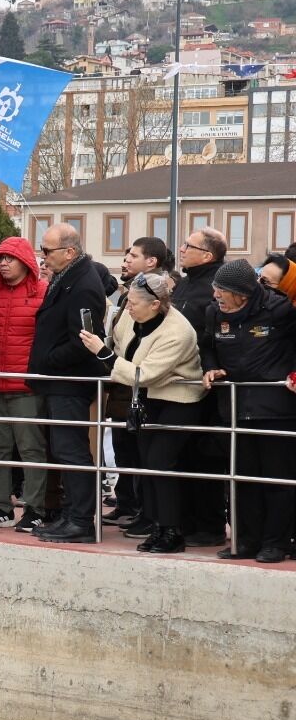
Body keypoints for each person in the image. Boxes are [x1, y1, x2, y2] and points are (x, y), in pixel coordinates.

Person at [77, 273, 205, 555]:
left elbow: (144, 373)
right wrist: (105, 347)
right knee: (148, 463)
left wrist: (102, 354)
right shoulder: (131, 316)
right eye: (129, 302)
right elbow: (121, 347)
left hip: (179, 401)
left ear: (156, 304)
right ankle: (159, 525)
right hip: (148, 399)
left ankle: (173, 530)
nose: (129, 307)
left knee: (161, 463)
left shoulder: (178, 332)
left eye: (134, 303)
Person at [200, 258, 296, 563]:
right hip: (235, 408)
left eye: (222, 292)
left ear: (242, 294)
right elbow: (207, 347)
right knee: (241, 481)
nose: (216, 297)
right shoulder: (214, 313)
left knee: (275, 481)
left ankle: (275, 543)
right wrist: (211, 368)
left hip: (275, 409)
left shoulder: (279, 310)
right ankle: (246, 540)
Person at [27, 223, 110, 543]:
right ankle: (70, 513)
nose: (42, 257)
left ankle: (80, 520)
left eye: (47, 251)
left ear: (70, 252)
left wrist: (47, 360)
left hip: (70, 382)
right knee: (63, 450)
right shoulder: (67, 278)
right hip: (58, 381)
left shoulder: (84, 284)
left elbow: (85, 339)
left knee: (72, 451)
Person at [0, 237, 50, 532]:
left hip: (26, 384)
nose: (3, 263)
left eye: (10, 258)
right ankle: (1, 507)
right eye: (0, 260)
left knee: (31, 448)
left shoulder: (43, 292)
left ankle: (35, 509)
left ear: (26, 262)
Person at [105, 237, 174, 534]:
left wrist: (107, 354)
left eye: (133, 255)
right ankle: (129, 503)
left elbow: (144, 348)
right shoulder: (126, 296)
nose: (125, 260)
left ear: (152, 262)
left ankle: (149, 514)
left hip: (141, 382)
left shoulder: (162, 298)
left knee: (144, 454)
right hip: (123, 381)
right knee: (125, 448)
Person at [172, 226, 228, 546]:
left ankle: (208, 526)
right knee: (186, 456)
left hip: (206, 389)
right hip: (181, 386)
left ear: (206, 255)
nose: (181, 249)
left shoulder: (215, 286)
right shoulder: (185, 284)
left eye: (188, 245)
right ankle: (188, 521)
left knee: (206, 457)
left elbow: (209, 337)